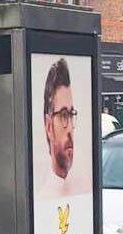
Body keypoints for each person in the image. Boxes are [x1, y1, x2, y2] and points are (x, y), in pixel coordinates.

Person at [38, 58, 80, 198]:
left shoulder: (79, 192)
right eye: (63, 115)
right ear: (49, 126)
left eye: (71, 114)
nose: (69, 129)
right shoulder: (44, 197)